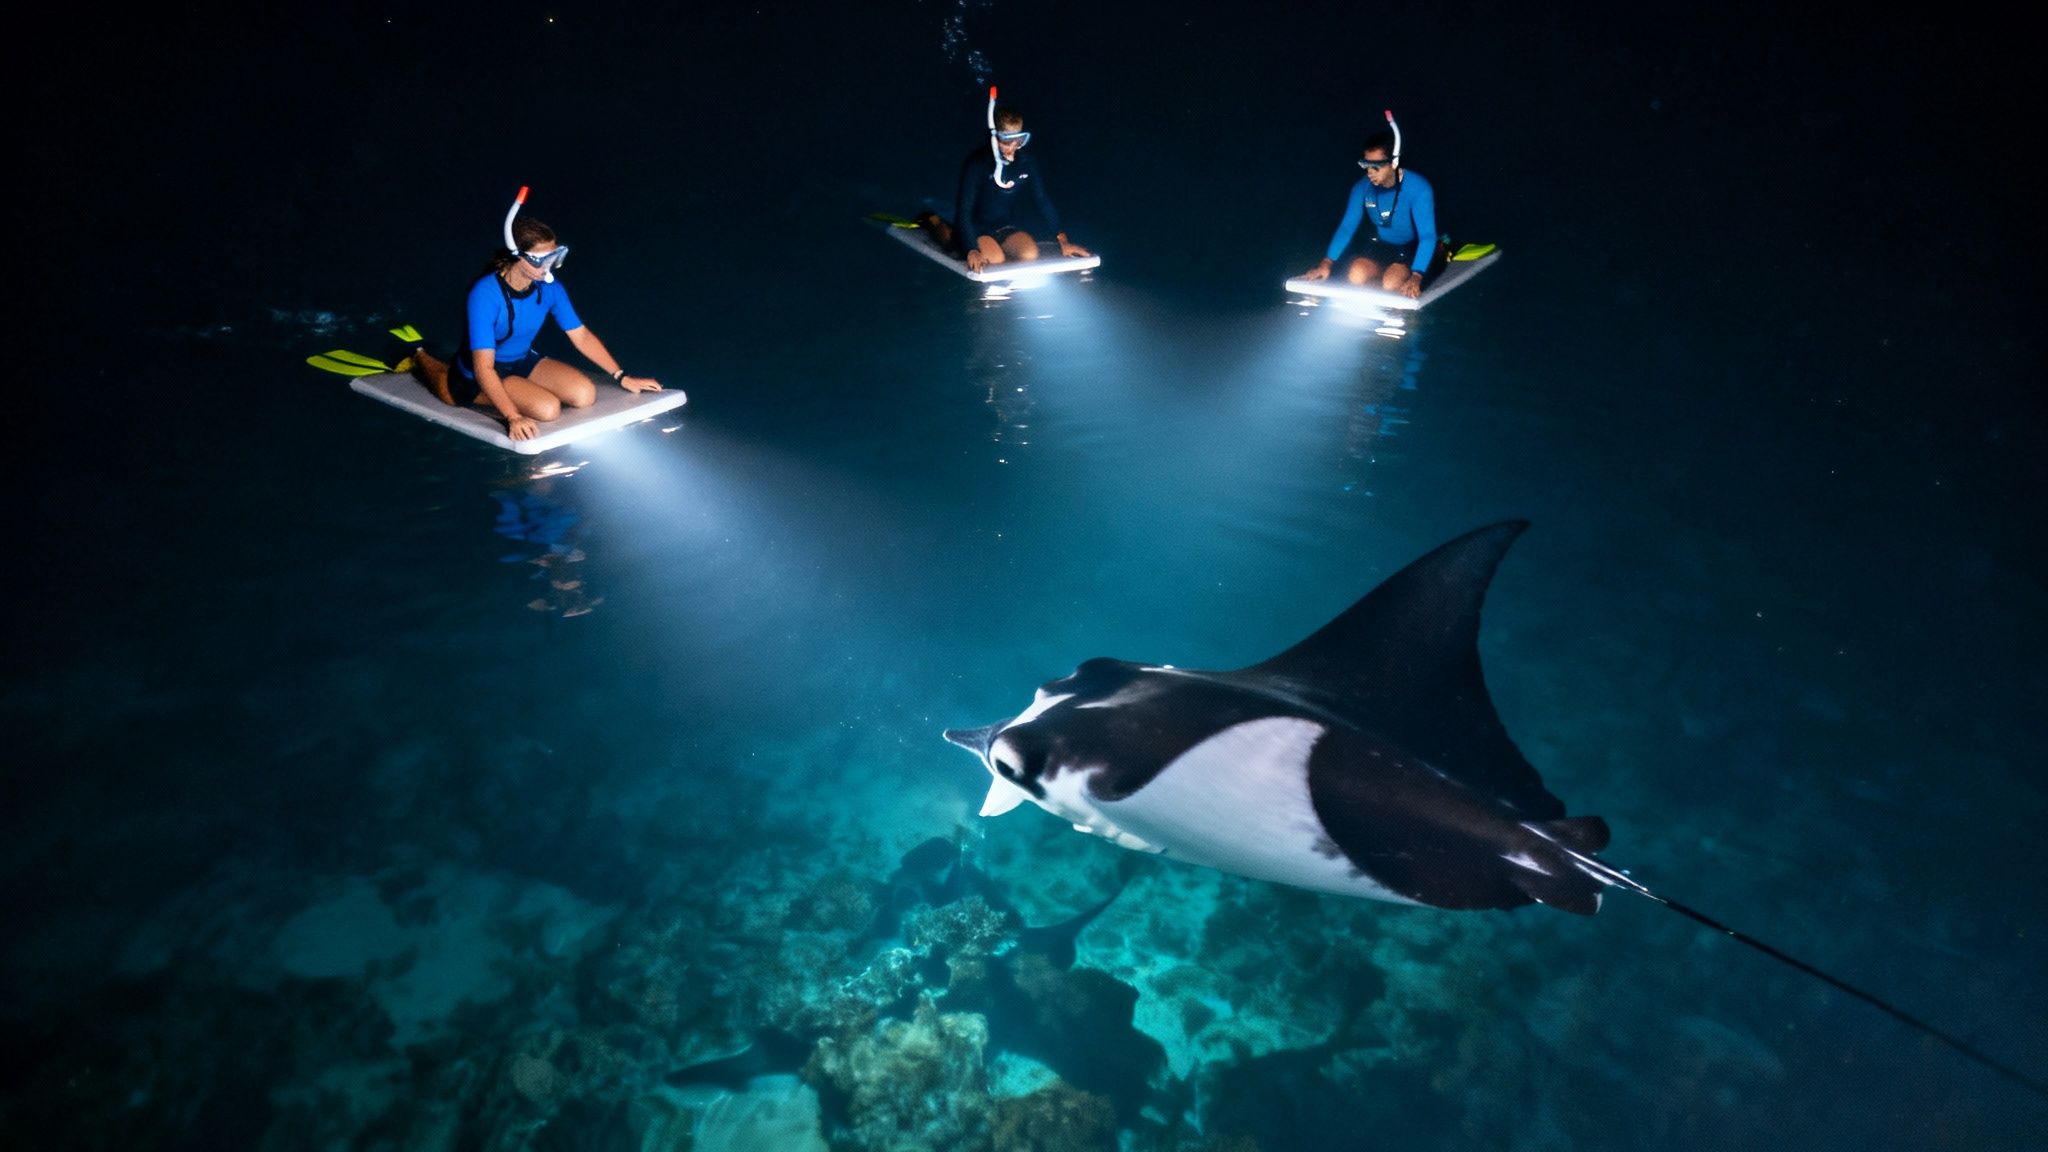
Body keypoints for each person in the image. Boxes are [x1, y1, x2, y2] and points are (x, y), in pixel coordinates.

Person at [412, 188, 664, 443]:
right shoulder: (485, 294)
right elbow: (484, 367)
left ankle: (450, 364)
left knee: (584, 394)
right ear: (517, 256)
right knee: (547, 409)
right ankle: (419, 357)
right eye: (542, 260)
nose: (549, 267)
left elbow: (582, 336)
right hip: (477, 375)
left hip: (520, 362)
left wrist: (622, 376)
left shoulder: (551, 288)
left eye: (555, 257)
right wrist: (513, 416)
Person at [917, 88, 1090, 273]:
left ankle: (986, 244)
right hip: (976, 227)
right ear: (994, 138)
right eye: (1007, 141)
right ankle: (935, 222)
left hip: (1003, 227)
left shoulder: (1027, 164)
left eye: (1019, 141)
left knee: (1029, 254)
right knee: (995, 260)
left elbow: (1043, 201)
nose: (1012, 148)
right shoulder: (977, 163)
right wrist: (971, 249)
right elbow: (964, 210)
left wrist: (1062, 240)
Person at [1300, 115, 1445, 300]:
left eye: (1376, 167)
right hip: (1382, 246)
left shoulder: (1418, 188)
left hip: (1411, 247)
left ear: (1393, 163)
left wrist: (1417, 276)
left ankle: (1440, 251)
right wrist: (1326, 263)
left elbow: (1426, 235)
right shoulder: (1361, 188)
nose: (1369, 173)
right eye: (1366, 165)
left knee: (1391, 283)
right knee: (1356, 274)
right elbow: (1346, 228)